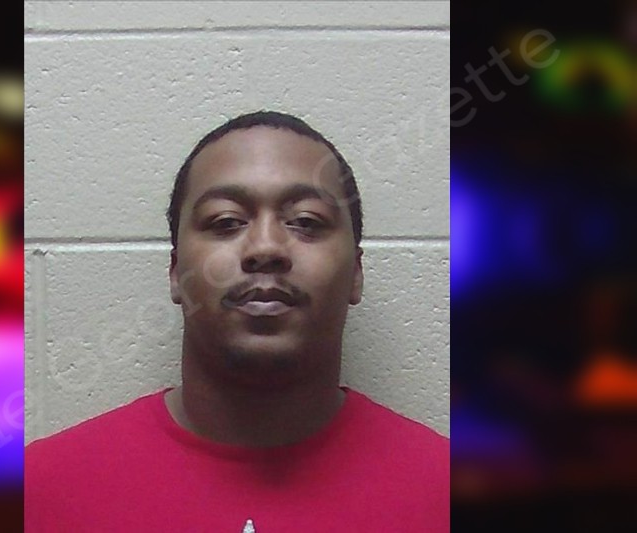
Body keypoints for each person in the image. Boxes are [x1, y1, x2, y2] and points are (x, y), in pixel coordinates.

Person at [25, 111, 449, 532]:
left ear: (356, 273)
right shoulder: (36, 493)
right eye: (226, 222)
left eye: (306, 222)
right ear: (175, 272)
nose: (265, 248)